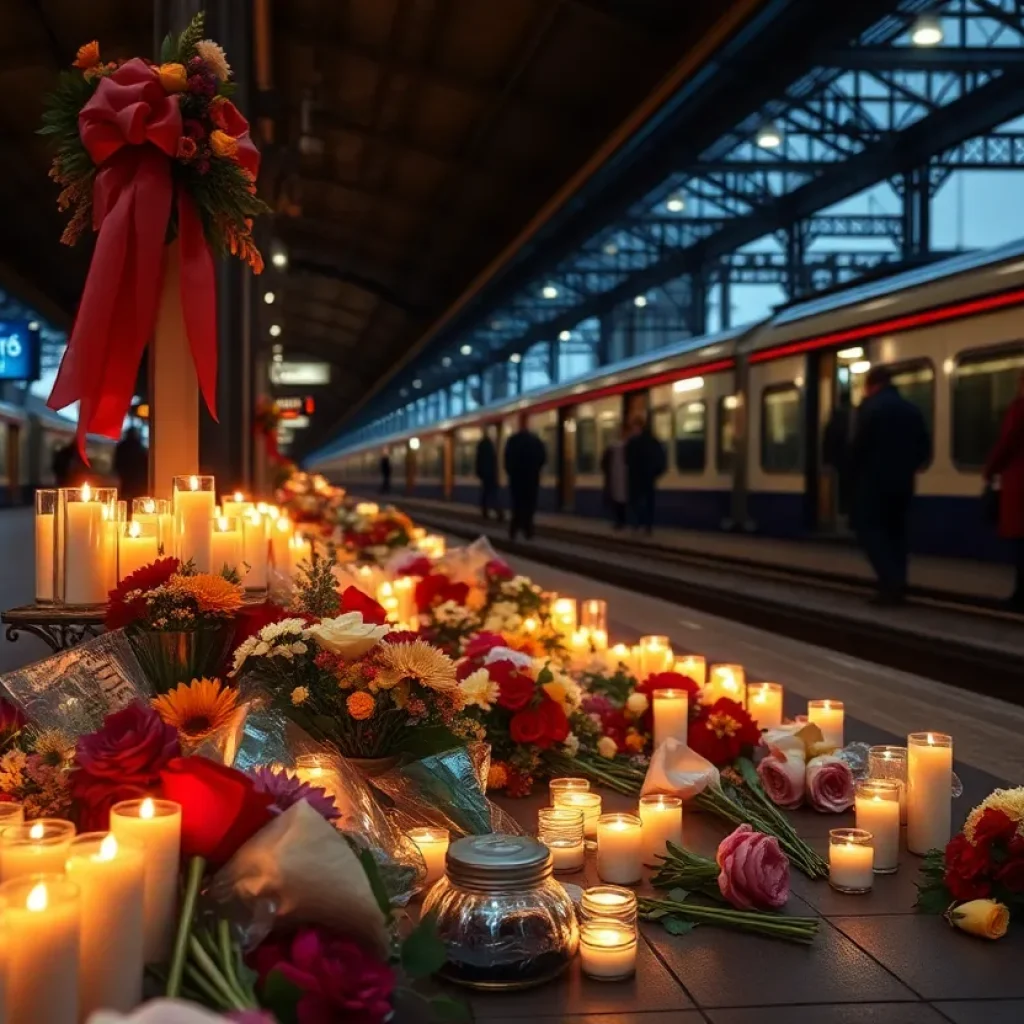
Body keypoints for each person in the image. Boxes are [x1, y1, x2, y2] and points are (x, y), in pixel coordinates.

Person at [850, 366, 930, 605]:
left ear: (872, 385)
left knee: (870, 531)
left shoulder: (870, 409)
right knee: (897, 534)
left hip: (874, 483)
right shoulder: (912, 410)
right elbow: (924, 448)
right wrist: (907, 468)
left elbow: (858, 447)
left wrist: (857, 474)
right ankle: (900, 583)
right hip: (903, 482)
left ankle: (890, 583)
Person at [984, 370, 1024, 607]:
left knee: (1021, 542)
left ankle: (1020, 594)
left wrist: (991, 470)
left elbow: (1007, 442)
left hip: (1019, 482)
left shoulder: (1020, 408)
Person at [503, 414, 546, 541]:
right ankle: (528, 530)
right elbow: (543, 458)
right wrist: (535, 470)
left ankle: (514, 531)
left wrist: (511, 473)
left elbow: (507, 460)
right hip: (531, 479)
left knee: (517, 505)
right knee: (529, 505)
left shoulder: (513, 441)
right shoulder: (535, 441)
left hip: (516, 480)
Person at [625, 416, 667, 534]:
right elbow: (661, 458)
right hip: (647, 478)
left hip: (639, 478)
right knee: (647, 502)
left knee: (638, 502)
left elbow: (627, 460)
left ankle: (639, 524)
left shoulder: (633, 442)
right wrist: (655, 473)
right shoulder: (652, 441)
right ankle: (645, 526)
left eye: (634, 427)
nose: (633, 430)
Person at [822, 392, 854, 523]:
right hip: (849, 460)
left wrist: (827, 460)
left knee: (842, 488)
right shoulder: (855, 416)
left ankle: (843, 512)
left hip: (839, 461)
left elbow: (828, 440)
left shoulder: (835, 418)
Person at [601, 423, 630, 529]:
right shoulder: (614, 448)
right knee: (618, 499)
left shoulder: (614, 448)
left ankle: (620, 521)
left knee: (619, 498)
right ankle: (620, 521)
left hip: (620, 477)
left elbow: (603, 463)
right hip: (617, 477)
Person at [114, 427, 149, 502]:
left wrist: (121, 473)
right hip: (137, 480)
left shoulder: (122, 446)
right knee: (137, 499)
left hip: (127, 479)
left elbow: (117, 463)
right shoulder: (140, 447)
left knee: (126, 498)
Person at [475, 427, 502, 521]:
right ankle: (498, 513)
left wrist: (479, 473)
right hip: (490, 474)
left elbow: (478, 461)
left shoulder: (482, 446)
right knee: (492, 494)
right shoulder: (490, 446)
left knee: (486, 494)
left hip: (485, 474)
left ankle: (486, 512)